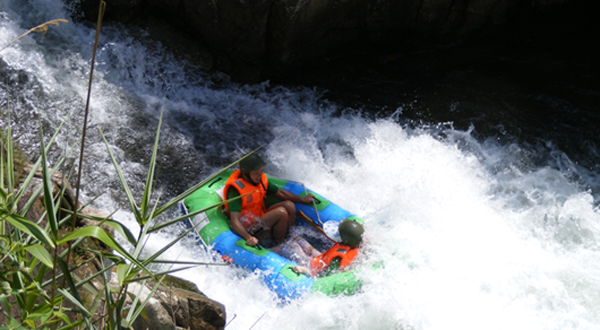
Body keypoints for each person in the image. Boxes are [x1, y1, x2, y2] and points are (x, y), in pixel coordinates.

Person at [223, 153, 315, 247]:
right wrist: (248, 237)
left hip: (260, 217)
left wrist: (303, 199)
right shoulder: (236, 191)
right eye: (255, 174)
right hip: (249, 228)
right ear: (246, 174)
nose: (259, 176)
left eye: (261, 172)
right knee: (281, 212)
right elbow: (234, 221)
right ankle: (280, 245)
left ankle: (289, 237)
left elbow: (280, 192)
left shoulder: (261, 180)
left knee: (289, 205)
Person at [280, 218, 365, 277]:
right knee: (298, 240)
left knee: (289, 246)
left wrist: (305, 271)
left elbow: (324, 278)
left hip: (314, 270)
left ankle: (270, 252)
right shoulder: (354, 243)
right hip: (320, 262)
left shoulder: (337, 259)